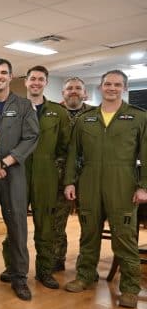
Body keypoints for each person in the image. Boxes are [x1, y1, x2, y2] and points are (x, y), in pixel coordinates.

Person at [64, 70, 147, 309]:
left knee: (124, 236)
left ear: (125, 88)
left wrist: (144, 186)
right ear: (100, 87)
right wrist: (70, 181)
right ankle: (86, 275)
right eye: (108, 84)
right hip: (89, 181)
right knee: (88, 233)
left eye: (117, 85)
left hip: (122, 182)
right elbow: (73, 153)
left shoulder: (138, 117)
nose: (112, 88)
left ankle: (130, 287)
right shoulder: (85, 119)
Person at [0, 58, 39, 301]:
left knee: (17, 228)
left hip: (14, 175)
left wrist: (5, 162)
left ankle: (19, 277)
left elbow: (31, 138)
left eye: (3, 72)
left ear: (11, 76)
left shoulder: (23, 106)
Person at [21, 65, 70, 289]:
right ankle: (15, 268)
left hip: (46, 176)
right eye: (32, 79)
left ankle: (44, 271)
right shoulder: (17, 108)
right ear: (26, 82)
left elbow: (65, 148)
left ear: (46, 83)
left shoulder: (58, 113)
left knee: (46, 226)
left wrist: (58, 172)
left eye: (41, 79)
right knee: (16, 225)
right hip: (18, 173)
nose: (36, 83)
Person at [52, 77, 93, 272]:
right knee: (56, 222)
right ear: (63, 93)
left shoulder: (95, 114)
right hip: (59, 177)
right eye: (70, 88)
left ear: (85, 93)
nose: (74, 91)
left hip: (88, 176)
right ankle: (56, 259)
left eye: (78, 88)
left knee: (88, 224)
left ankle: (86, 266)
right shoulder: (53, 113)